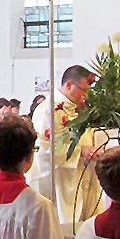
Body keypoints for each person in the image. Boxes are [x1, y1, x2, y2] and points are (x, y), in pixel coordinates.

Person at [29, 65, 103, 224]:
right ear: (69, 85)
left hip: (79, 173)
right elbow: (44, 147)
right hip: (58, 178)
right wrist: (79, 151)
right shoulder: (48, 109)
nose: (84, 96)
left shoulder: (79, 109)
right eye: (82, 90)